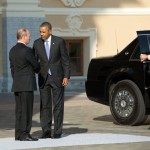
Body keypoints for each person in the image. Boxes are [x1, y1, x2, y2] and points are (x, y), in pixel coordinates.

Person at [33, 22, 70, 139]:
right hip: (43, 78)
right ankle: (46, 131)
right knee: (45, 106)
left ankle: (57, 131)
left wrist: (66, 76)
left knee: (58, 105)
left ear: (50, 31)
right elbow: (34, 61)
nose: (41, 34)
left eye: (43, 32)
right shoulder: (37, 43)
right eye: (40, 32)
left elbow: (65, 60)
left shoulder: (59, 42)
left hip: (58, 78)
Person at [9, 28, 40, 141]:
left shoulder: (12, 50)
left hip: (17, 84)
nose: (30, 38)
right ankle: (25, 134)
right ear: (23, 36)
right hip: (27, 84)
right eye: (29, 36)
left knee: (19, 111)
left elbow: (12, 69)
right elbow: (36, 66)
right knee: (27, 110)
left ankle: (18, 134)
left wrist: (17, 79)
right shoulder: (27, 51)